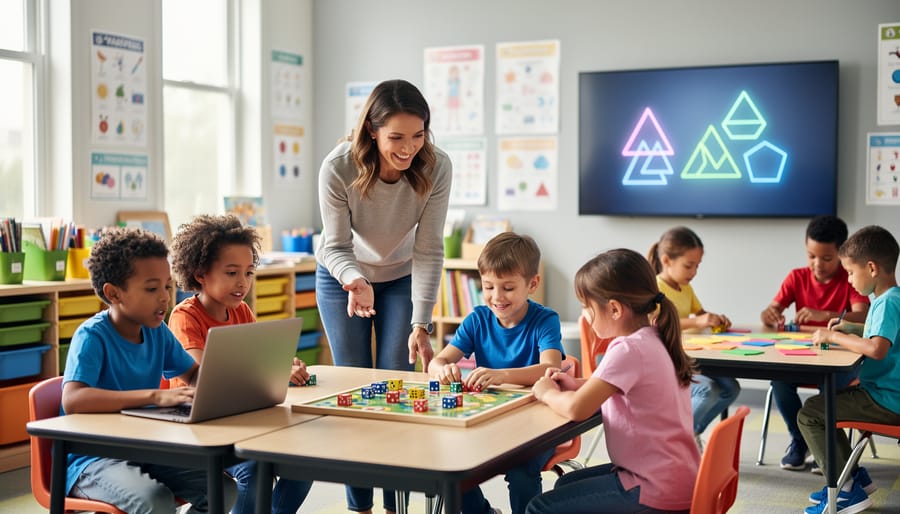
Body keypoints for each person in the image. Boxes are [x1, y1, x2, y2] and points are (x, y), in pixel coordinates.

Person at [315, 78, 452, 514]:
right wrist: (355, 280)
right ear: (372, 130)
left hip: (401, 276)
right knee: (356, 387)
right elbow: (334, 247)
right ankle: (361, 507)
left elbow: (429, 248)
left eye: (418, 135)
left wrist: (421, 322)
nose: (408, 147)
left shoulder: (436, 167)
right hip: (343, 277)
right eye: (396, 137)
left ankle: (395, 506)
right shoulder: (338, 167)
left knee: (397, 386)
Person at [61, 227, 237, 513]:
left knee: (224, 489)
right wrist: (154, 397)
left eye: (167, 286)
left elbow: (192, 373)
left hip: (146, 448)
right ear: (114, 293)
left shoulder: (157, 331)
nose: (165, 297)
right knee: (154, 501)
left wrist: (229, 378)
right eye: (152, 288)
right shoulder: (92, 336)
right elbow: (73, 400)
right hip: (93, 460)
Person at [525, 248, 699, 513]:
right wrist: (577, 385)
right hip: (675, 477)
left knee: (540, 507)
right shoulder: (654, 337)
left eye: (587, 307)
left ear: (615, 309)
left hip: (653, 488)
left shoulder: (628, 350)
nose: (585, 315)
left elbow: (577, 409)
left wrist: (546, 391)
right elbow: (616, 388)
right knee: (566, 485)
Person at [167, 214, 313, 514]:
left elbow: (254, 364)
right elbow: (204, 376)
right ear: (200, 274)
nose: (242, 283)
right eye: (232, 272)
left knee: (305, 461)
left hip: (237, 419)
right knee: (254, 470)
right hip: (194, 425)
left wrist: (280, 367)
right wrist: (269, 370)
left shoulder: (241, 310)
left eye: (248, 273)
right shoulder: (185, 316)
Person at [428, 232, 563, 514]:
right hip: (491, 421)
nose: (496, 297)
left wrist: (502, 376)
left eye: (508, 288)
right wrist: (444, 368)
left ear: (532, 284)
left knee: (522, 469)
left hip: (536, 423)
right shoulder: (477, 319)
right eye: (488, 287)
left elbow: (551, 368)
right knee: (451, 463)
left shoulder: (544, 319)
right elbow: (436, 361)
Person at [799, 225, 900, 514]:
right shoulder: (890, 298)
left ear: (871, 268)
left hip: (886, 400)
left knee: (810, 413)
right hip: (886, 394)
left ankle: (845, 491)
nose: (850, 280)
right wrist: (852, 326)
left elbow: (877, 349)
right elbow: (882, 335)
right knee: (826, 405)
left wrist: (834, 336)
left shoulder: (887, 303)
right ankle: (853, 477)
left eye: (851, 273)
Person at [760, 215, 870, 471]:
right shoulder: (797, 277)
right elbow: (770, 311)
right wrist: (769, 313)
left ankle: (827, 444)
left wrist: (827, 315)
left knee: (831, 384)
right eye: (811, 256)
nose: (817, 264)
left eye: (827, 258)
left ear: (842, 254)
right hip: (804, 356)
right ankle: (800, 440)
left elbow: (863, 314)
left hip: (842, 357)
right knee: (779, 379)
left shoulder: (851, 277)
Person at [647, 226, 739, 451]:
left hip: (690, 356)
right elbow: (656, 321)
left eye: (697, 266)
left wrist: (714, 319)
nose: (694, 271)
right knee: (708, 390)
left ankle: (692, 432)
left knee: (731, 388)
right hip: (666, 359)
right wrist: (698, 322)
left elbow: (700, 314)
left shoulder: (685, 288)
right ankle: (678, 441)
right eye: (689, 265)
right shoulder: (655, 288)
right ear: (667, 260)